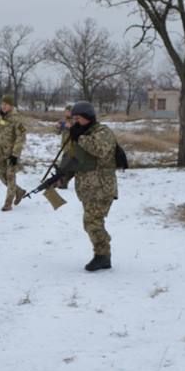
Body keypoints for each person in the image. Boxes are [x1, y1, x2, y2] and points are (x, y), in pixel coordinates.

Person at [56, 101, 118, 271]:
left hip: (102, 188)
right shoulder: (80, 134)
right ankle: (102, 254)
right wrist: (63, 177)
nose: (75, 122)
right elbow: (74, 161)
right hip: (87, 190)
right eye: (73, 118)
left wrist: (79, 137)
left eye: (78, 118)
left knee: (92, 222)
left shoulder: (102, 132)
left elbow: (100, 149)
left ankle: (102, 256)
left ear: (88, 117)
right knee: (91, 223)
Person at [0, 95, 28, 211]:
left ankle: (8, 203)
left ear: (11, 106)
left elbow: (21, 137)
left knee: (10, 176)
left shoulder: (16, 119)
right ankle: (19, 191)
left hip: (12, 154)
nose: (3, 106)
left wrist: (15, 155)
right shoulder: (2, 118)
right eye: (2, 104)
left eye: (6, 104)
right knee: (0, 174)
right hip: (2, 152)